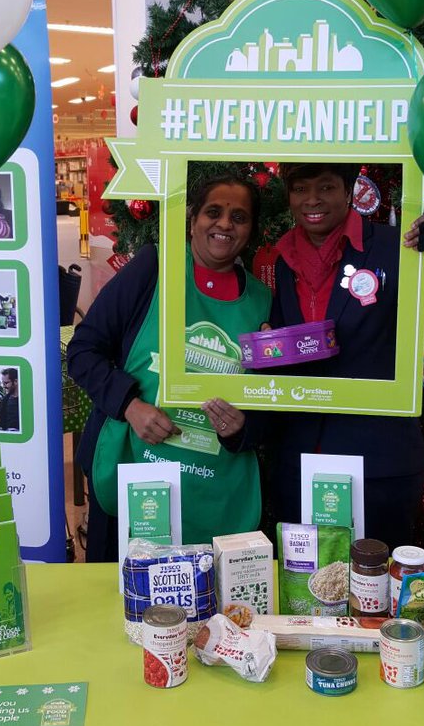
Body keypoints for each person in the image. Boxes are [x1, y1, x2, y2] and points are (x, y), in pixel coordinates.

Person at [230, 163, 424, 550]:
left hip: (379, 465)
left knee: (375, 598)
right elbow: (279, 358)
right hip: (299, 464)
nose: (311, 199)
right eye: (300, 188)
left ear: (349, 192)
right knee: (302, 598)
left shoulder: (397, 248)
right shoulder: (275, 261)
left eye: (326, 187)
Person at [67, 175, 272, 560]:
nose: (225, 224)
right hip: (136, 472)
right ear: (192, 219)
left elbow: (273, 403)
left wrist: (243, 429)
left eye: (239, 217)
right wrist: (130, 405)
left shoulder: (262, 301)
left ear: (251, 230)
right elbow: (83, 351)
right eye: (214, 212)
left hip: (216, 488)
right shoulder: (152, 268)